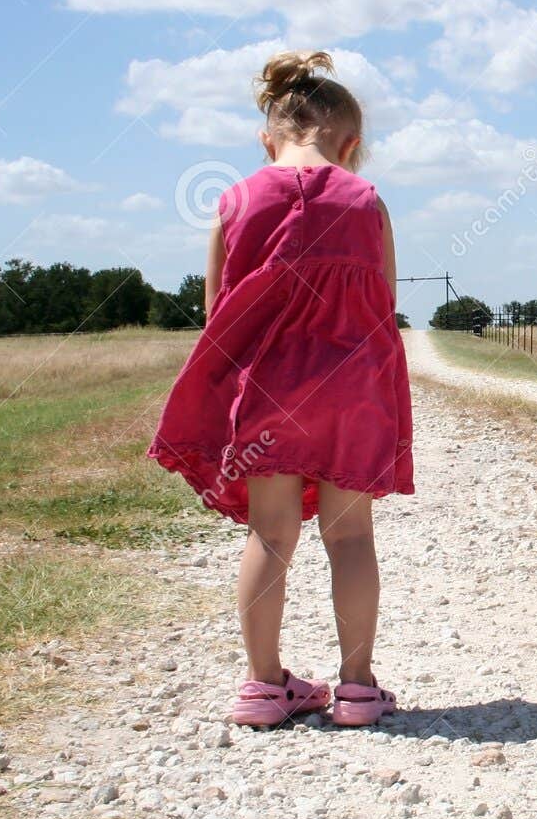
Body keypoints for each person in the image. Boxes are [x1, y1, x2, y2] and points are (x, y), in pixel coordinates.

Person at [149, 50, 414, 727]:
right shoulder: (366, 200)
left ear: (267, 138)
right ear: (350, 144)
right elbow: (382, 304)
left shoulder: (234, 201)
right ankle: (356, 687)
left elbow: (218, 318)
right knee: (350, 537)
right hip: (351, 391)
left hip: (269, 394)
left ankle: (265, 687)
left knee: (269, 536)